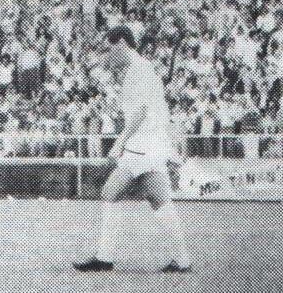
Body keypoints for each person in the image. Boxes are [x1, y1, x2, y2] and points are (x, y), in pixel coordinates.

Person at [74, 25, 193, 273]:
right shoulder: (142, 69)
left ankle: (105, 257)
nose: (108, 55)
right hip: (153, 144)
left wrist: (120, 142)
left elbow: (140, 112)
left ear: (122, 45)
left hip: (142, 144)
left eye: (110, 50)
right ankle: (182, 260)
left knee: (109, 192)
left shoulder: (138, 71)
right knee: (159, 198)